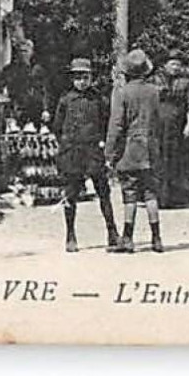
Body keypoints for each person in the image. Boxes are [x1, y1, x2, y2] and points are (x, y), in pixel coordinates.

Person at [52, 57, 119, 253]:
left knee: (103, 192)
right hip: (72, 151)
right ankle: (70, 235)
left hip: (93, 151)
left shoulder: (98, 99)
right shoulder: (65, 100)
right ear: (72, 79)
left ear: (91, 78)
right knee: (70, 194)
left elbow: (106, 123)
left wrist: (102, 144)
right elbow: (57, 126)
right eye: (78, 77)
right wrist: (65, 143)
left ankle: (112, 231)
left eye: (85, 77)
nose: (82, 81)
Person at [107, 49, 165, 252]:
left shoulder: (122, 93)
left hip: (129, 149)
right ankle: (156, 238)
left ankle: (128, 238)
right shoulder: (154, 91)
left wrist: (110, 153)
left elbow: (116, 125)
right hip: (150, 148)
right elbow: (159, 121)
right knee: (150, 194)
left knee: (129, 193)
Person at [154, 49, 189, 208]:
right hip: (159, 124)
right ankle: (160, 197)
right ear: (165, 64)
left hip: (178, 123)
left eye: (178, 64)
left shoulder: (187, 80)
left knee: (179, 159)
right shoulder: (156, 78)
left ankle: (179, 197)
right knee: (159, 158)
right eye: (172, 63)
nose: (175, 67)